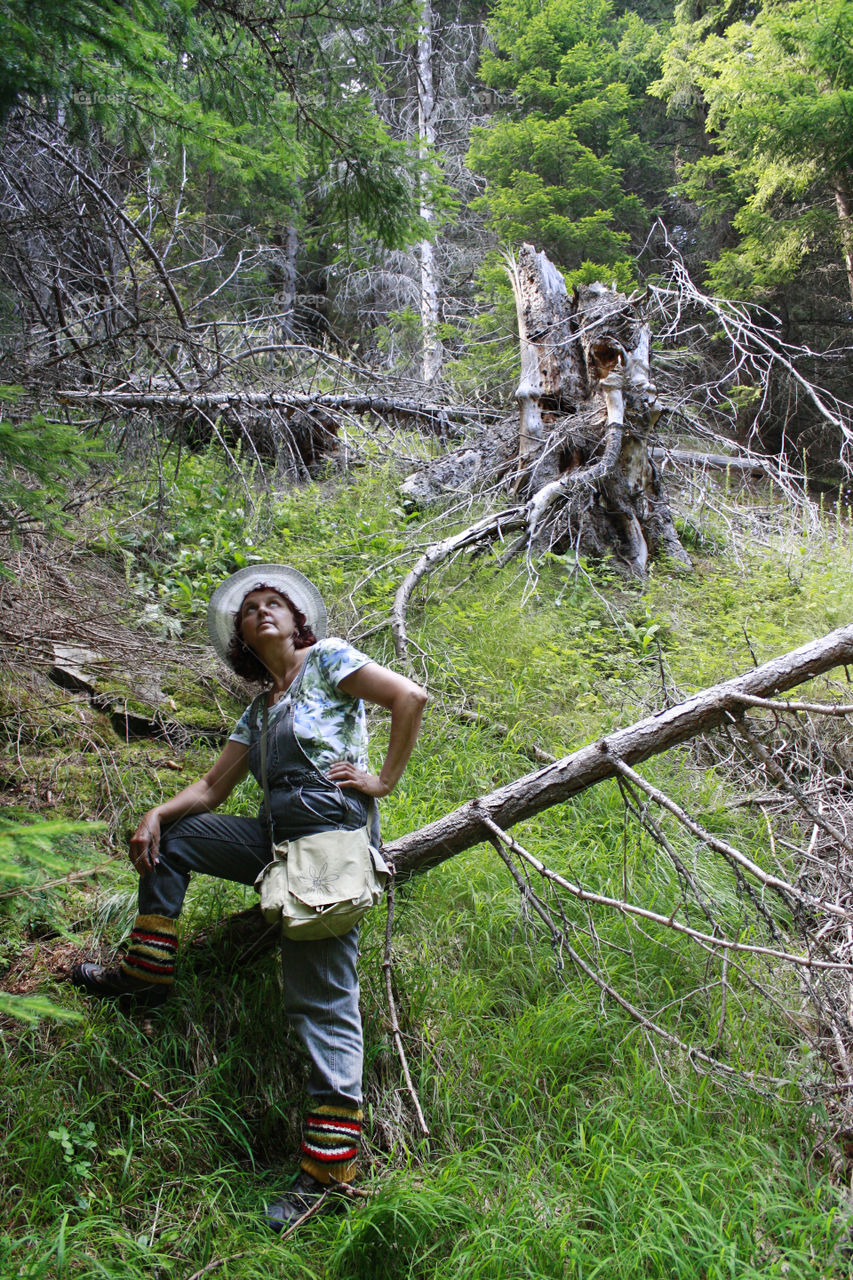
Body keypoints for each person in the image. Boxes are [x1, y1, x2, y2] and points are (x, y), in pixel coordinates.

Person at [71, 564, 427, 1230]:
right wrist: (155, 812)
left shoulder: (328, 661)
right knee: (177, 836)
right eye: (249, 608)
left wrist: (381, 780)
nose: (262, 611)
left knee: (319, 999)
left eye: (275, 603)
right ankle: (148, 972)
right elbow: (210, 790)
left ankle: (330, 1171)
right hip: (271, 836)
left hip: (325, 838)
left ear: (297, 622)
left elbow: (409, 696)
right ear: (239, 634)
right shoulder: (259, 707)